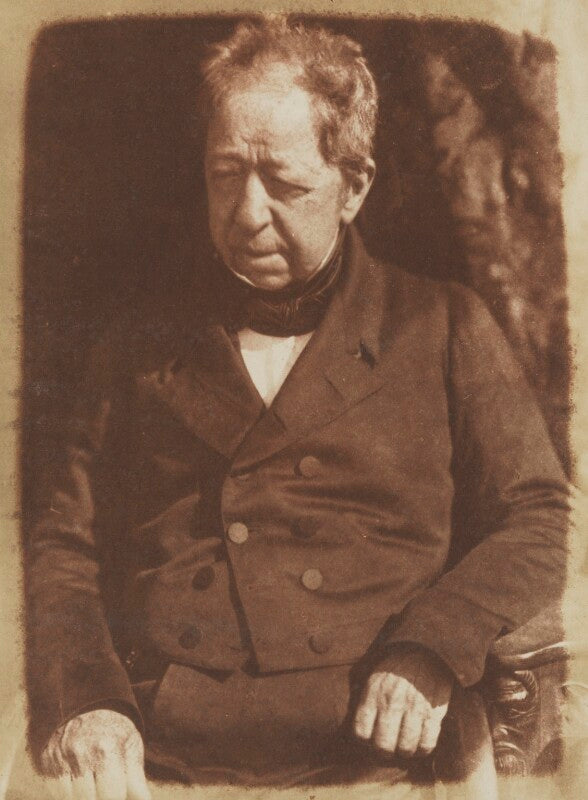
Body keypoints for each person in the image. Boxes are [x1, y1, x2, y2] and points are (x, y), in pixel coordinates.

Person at [25, 15, 569, 800]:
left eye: (283, 183)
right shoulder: (137, 340)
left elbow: (540, 516)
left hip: (381, 746)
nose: (248, 213)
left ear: (354, 185)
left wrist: (435, 646)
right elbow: (64, 542)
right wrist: (87, 701)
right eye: (226, 174)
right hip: (160, 750)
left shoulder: (444, 324)